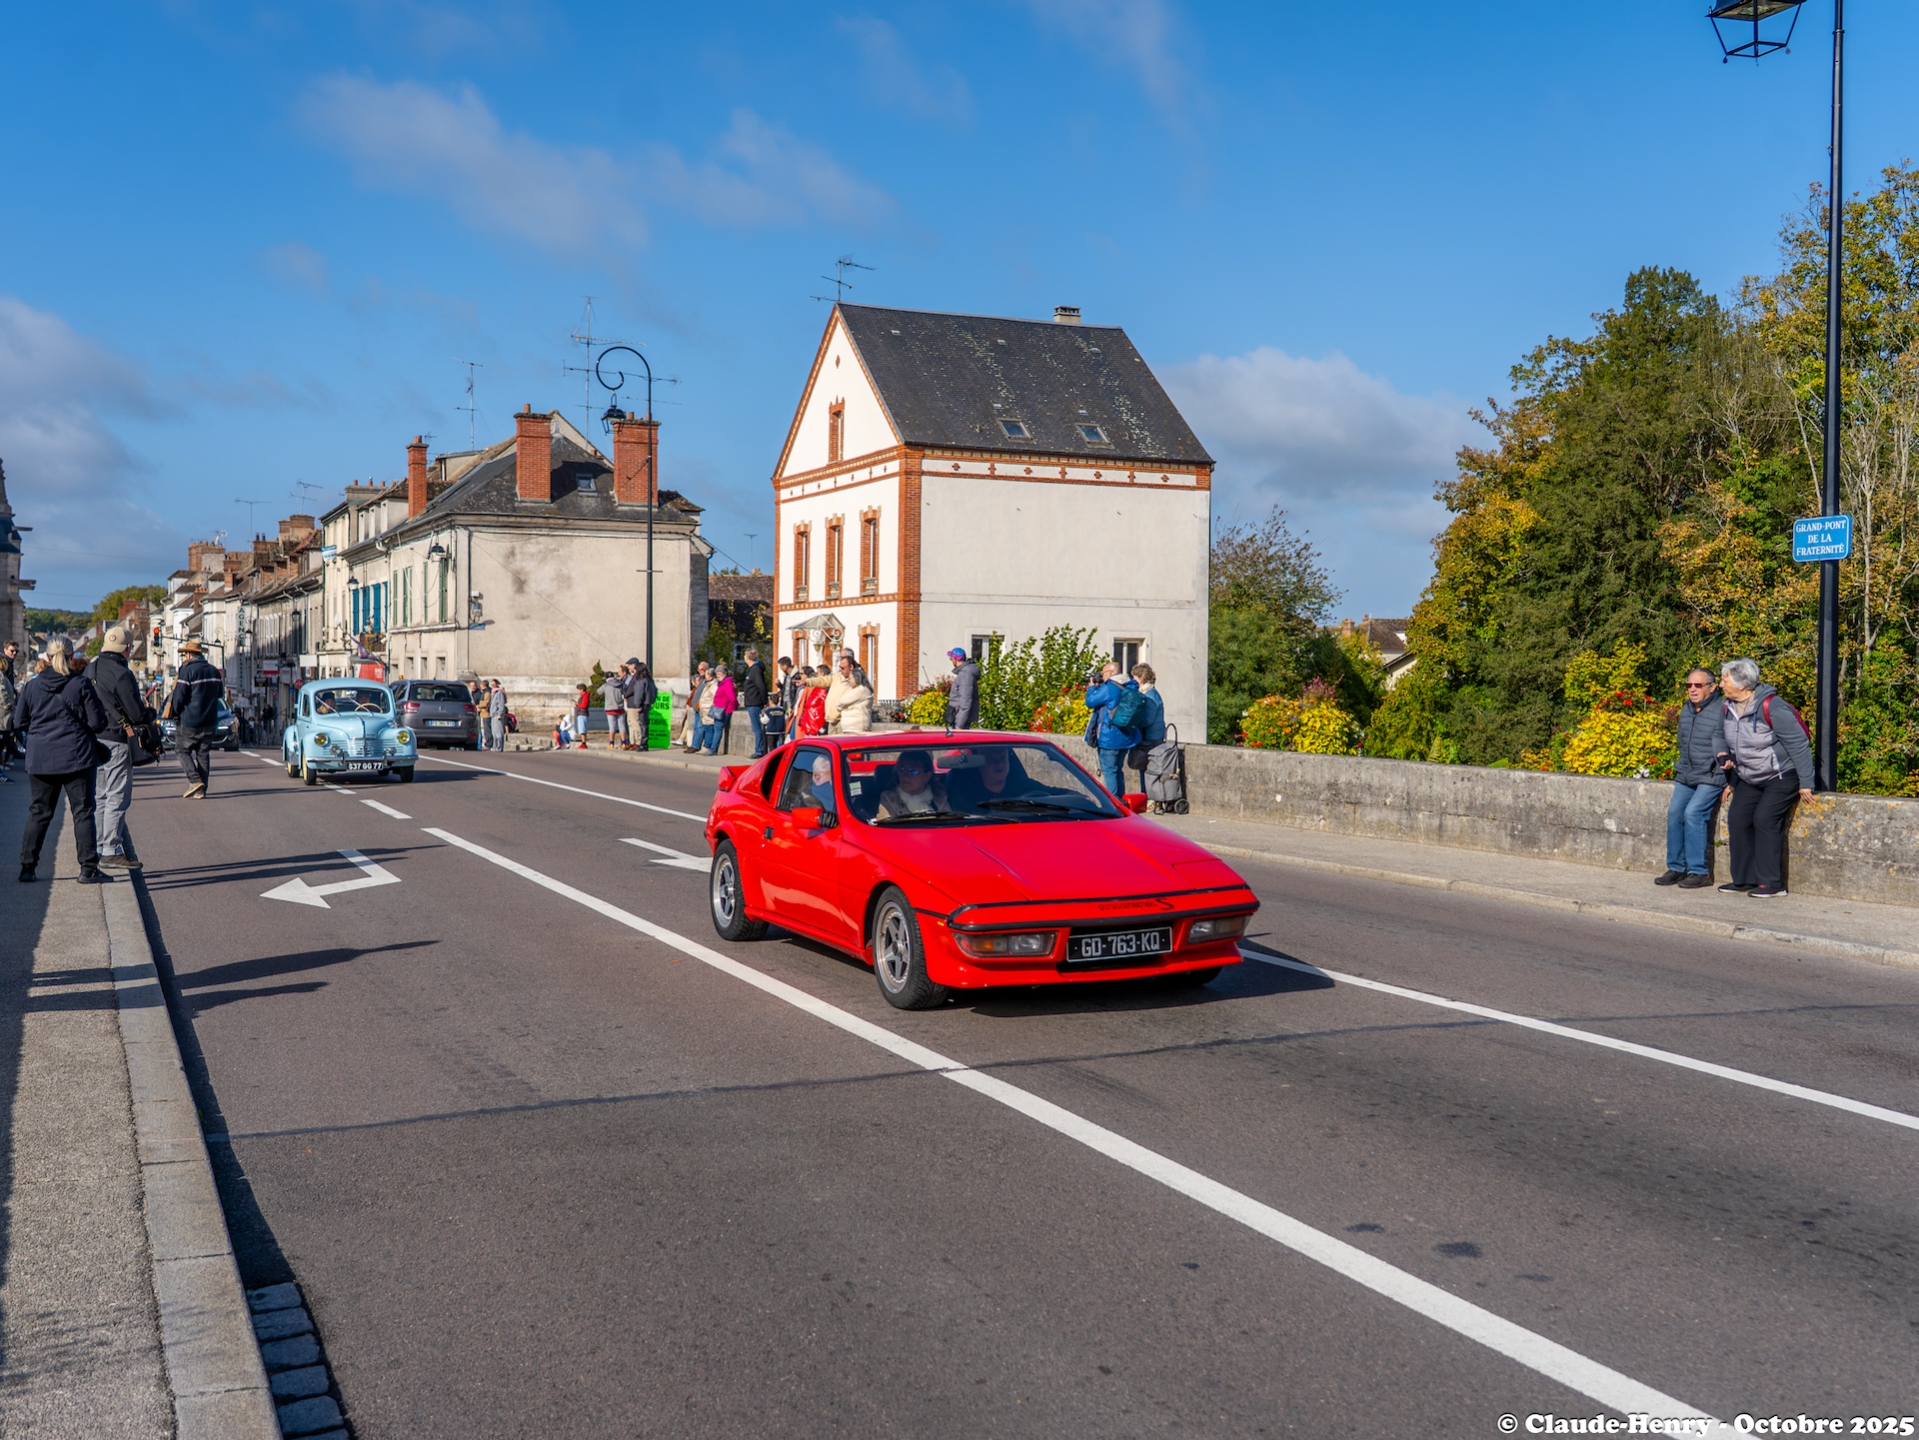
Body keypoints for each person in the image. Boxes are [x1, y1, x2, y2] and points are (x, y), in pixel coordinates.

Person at [1717, 657, 1815, 899]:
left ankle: (1772, 883)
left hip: (1781, 774)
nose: (1720, 685)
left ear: (1742, 685)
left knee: (1764, 818)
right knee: (1738, 818)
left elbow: (1799, 744)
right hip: (1749, 775)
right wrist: (1722, 754)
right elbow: (1719, 735)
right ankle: (1744, 879)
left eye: (1724, 680)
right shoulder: (1727, 707)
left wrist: (1806, 782)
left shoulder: (1773, 707)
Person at [16, 638, 108, 883]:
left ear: (46, 657)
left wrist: (36, 735)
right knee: (83, 812)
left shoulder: (32, 686)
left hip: (41, 757)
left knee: (39, 812)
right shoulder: (81, 684)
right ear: (71, 657)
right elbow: (98, 723)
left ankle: (27, 868)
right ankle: (88, 868)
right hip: (77, 755)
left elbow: (19, 722)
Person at [1656, 668, 1729, 890]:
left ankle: (1699, 871)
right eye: (1689, 685)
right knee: (1675, 813)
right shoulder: (1687, 709)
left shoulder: (1723, 709)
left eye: (1698, 685)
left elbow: (1731, 742)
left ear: (1712, 687)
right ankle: (1676, 867)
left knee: (1693, 813)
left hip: (1711, 774)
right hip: (1687, 773)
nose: (1692, 690)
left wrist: (1730, 779)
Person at [89, 626, 150, 870]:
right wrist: (148, 713)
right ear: (127, 648)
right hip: (116, 738)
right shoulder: (122, 674)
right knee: (117, 795)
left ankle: (99, 845)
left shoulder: (91, 669)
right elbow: (136, 713)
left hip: (94, 739)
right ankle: (111, 848)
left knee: (100, 795)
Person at [164, 638, 224, 799]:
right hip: (210, 720)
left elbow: (179, 697)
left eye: (185, 654)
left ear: (189, 655)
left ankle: (195, 780)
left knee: (181, 749)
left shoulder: (187, 671)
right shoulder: (214, 671)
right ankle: (201, 790)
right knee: (203, 754)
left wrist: (175, 713)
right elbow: (220, 694)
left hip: (190, 720)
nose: (184, 657)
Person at [1084, 661, 1143, 797]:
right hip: (1126, 736)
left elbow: (1090, 701)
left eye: (1103, 673)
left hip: (1109, 738)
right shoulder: (1130, 685)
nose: (1102, 676)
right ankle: (1120, 801)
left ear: (1110, 673)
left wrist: (1092, 688)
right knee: (1117, 770)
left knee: (1110, 771)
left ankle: (1114, 802)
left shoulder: (1110, 687)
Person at [877, 749, 951, 818]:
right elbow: (884, 824)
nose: (905, 777)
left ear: (927, 776)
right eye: (902, 770)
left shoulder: (940, 798)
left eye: (913, 771)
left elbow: (949, 822)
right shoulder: (889, 798)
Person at [827, 653, 873, 734]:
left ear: (856, 678)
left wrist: (844, 706)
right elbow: (840, 703)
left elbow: (841, 701)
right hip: (850, 728)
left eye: (850, 678)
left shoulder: (861, 690)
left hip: (856, 728)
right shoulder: (852, 689)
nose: (848, 680)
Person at [739, 648, 770, 758]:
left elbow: (761, 686)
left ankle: (759, 750)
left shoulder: (755, 670)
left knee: (757, 728)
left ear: (747, 658)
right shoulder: (752, 669)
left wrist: (764, 700)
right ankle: (759, 749)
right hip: (752, 702)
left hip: (755, 702)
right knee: (756, 728)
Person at [625, 659, 658, 751]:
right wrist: (652, 700)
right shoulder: (649, 679)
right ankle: (644, 743)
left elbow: (639, 693)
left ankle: (643, 744)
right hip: (648, 703)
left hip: (642, 704)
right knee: (645, 724)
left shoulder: (640, 680)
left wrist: (638, 705)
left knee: (642, 724)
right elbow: (655, 691)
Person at [703, 668, 738, 754]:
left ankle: (713, 749)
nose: (718, 676)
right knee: (716, 728)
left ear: (724, 674)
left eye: (719, 675)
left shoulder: (727, 684)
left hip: (724, 710)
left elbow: (732, 698)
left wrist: (734, 706)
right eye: (717, 675)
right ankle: (713, 748)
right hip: (719, 709)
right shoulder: (722, 683)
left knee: (718, 729)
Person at [945, 647, 981, 729]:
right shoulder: (964, 673)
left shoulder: (965, 675)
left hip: (960, 722)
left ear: (955, 660)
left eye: (951, 658)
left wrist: (959, 725)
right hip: (958, 718)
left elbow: (966, 701)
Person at [683, 662, 711, 751]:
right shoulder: (701, 680)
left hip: (702, 708)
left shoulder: (707, 681)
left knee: (699, 727)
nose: (700, 671)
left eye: (702, 669)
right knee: (696, 727)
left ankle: (696, 746)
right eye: (699, 669)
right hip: (697, 708)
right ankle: (693, 745)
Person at [795, 669, 829, 738]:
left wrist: (823, 727)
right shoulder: (813, 691)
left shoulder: (821, 691)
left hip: (815, 725)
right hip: (809, 724)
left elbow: (825, 708)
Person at [601, 668, 626, 748]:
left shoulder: (606, 685)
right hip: (620, 708)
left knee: (612, 727)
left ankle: (611, 743)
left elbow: (598, 691)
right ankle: (624, 743)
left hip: (610, 708)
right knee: (622, 726)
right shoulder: (620, 684)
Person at [488, 680, 508, 751]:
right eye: (492, 684)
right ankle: (495, 746)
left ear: (497, 684)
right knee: (494, 733)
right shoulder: (493, 693)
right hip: (493, 715)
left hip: (497, 715)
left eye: (494, 684)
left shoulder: (499, 693)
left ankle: (499, 747)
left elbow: (501, 704)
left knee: (499, 732)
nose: (493, 685)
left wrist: (500, 714)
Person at [474, 679, 494, 750]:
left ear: (484, 685)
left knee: (487, 730)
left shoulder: (487, 692)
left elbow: (486, 702)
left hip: (486, 714)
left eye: (481, 685)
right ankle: (486, 743)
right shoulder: (484, 692)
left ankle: (489, 743)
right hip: (483, 713)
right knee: (484, 730)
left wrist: (478, 706)